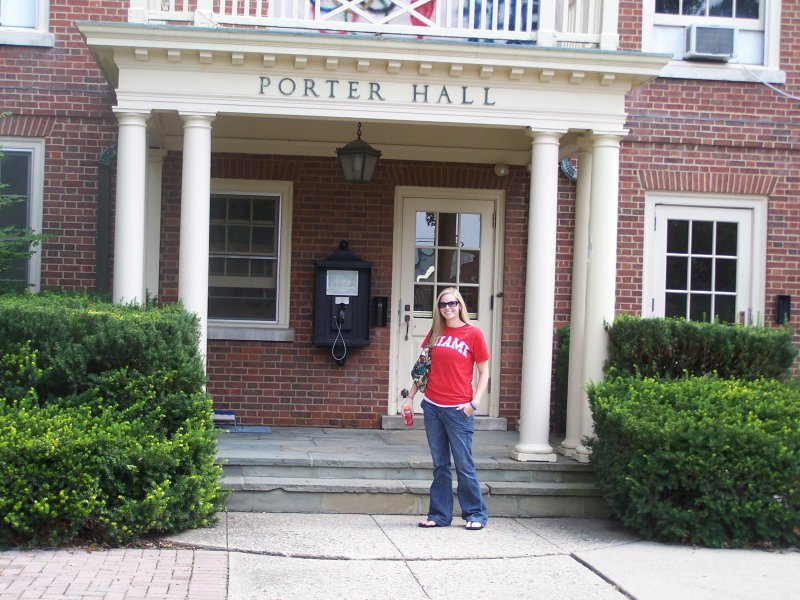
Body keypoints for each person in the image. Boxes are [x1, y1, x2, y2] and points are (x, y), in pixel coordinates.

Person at [402, 287, 490, 530]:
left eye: (452, 303)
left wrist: (474, 403)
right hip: (432, 407)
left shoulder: (473, 334)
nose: (448, 308)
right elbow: (423, 369)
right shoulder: (435, 333)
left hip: (458, 410)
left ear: (460, 305)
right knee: (440, 464)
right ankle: (439, 515)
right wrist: (409, 398)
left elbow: (484, 372)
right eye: (443, 304)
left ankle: (475, 514)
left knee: (464, 463)